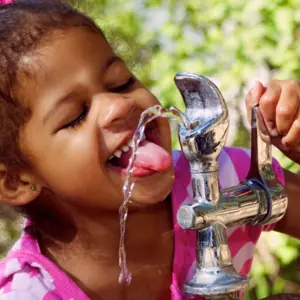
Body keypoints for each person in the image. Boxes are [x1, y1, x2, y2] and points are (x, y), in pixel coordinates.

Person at [0, 0, 299, 299]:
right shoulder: (28, 292)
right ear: (16, 180)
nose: (120, 105)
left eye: (121, 83)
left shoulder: (218, 180)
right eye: (76, 116)